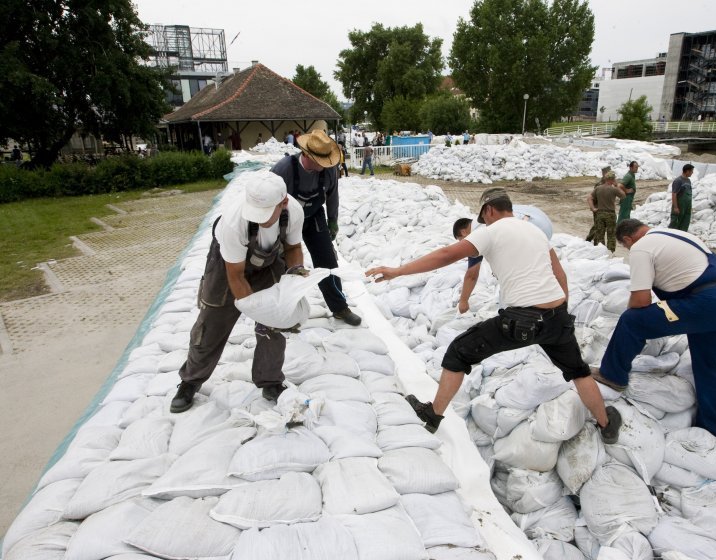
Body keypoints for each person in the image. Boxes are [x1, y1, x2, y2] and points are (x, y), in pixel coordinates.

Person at [366, 187, 622, 444]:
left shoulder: (490, 231)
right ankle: (606, 424)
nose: (484, 222)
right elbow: (560, 275)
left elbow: (446, 255)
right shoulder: (535, 231)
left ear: (489, 210)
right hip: (557, 317)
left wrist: (397, 272)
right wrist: (561, 312)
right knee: (579, 372)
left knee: (458, 352)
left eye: (484, 217)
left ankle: (432, 415)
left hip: (521, 320)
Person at [592, 219, 716, 437]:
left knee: (631, 320)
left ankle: (613, 375)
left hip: (705, 303)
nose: (629, 250)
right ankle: (714, 428)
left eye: (626, 247)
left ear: (628, 239)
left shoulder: (641, 248)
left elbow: (641, 300)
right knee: (709, 366)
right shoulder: (672, 235)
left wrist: (637, 316)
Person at [170, 171, 306, 413]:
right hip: (228, 267)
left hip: (268, 263)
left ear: (283, 202)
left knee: (273, 328)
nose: (260, 218)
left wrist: (295, 278)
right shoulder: (234, 222)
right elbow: (236, 275)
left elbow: (293, 246)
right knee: (211, 325)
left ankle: (270, 381)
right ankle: (190, 381)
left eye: (266, 213)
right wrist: (256, 310)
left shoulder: (293, 211)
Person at [271, 130, 361, 326]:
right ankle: (284, 312)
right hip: (285, 220)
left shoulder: (328, 170)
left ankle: (339, 307)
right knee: (285, 266)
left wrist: (333, 221)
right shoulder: (284, 169)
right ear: (307, 156)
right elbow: (267, 198)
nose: (325, 165)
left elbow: (332, 195)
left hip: (313, 217)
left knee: (328, 261)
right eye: (321, 161)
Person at [452, 204, 553, 314]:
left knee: (514, 273)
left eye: (461, 241)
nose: (463, 245)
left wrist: (463, 301)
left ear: (463, 232)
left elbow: (472, 275)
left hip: (531, 227)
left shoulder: (477, 234)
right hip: (541, 220)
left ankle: (521, 309)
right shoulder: (485, 219)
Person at [588, 171, 626, 252]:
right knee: (611, 235)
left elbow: (589, 198)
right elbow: (623, 196)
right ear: (612, 179)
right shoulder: (614, 189)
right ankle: (610, 252)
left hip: (600, 213)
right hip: (610, 214)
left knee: (600, 234)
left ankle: (600, 251)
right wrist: (617, 186)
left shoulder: (598, 188)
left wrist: (593, 208)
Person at [585, 166, 611, 242]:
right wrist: (593, 208)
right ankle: (597, 243)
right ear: (603, 173)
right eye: (607, 173)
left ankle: (590, 240)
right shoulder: (599, 185)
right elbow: (592, 197)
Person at [668, 164, 694, 231]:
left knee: (685, 222)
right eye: (691, 171)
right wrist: (675, 207)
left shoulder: (688, 181)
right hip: (680, 206)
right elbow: (674, 194)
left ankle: (682, 235)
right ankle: (671, 236)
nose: (692, 173)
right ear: (687, 171)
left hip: (687, 206)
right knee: (676, 223)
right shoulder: (678, 181)